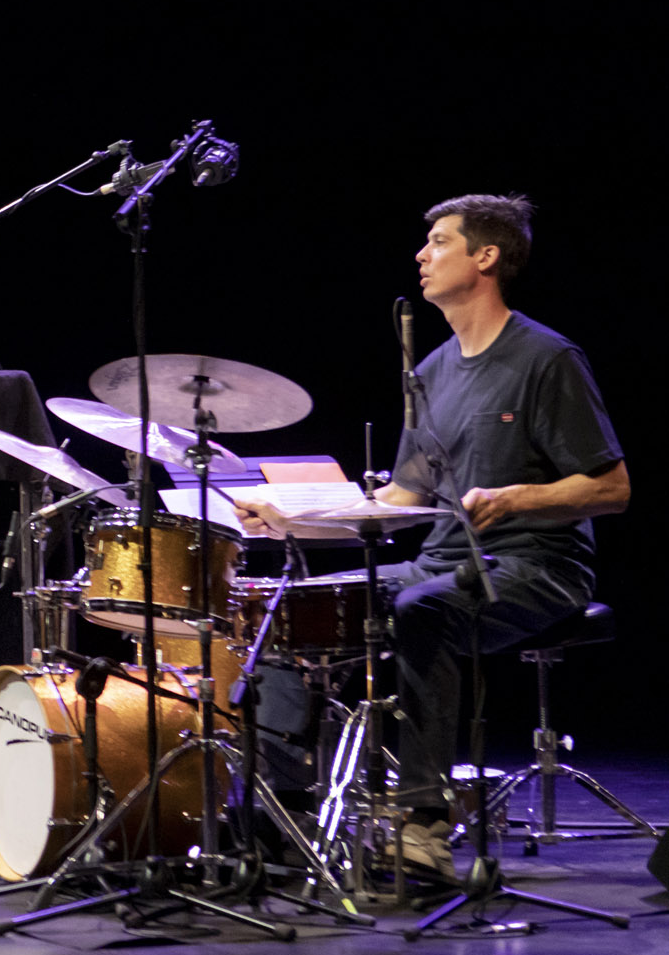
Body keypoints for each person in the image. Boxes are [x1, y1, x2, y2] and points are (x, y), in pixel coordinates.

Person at [237, 196, 629, 880]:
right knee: (286, 605)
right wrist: (292, 515)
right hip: (438, 561)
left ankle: (423, 821)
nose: (421, 254)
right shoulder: (431, 370)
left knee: (423, 611)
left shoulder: (546, 357)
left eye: (438, 241)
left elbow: (613, 487)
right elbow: (402, 497)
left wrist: (517, 497)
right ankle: (283, 811)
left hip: (538, 566)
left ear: (486, 257)